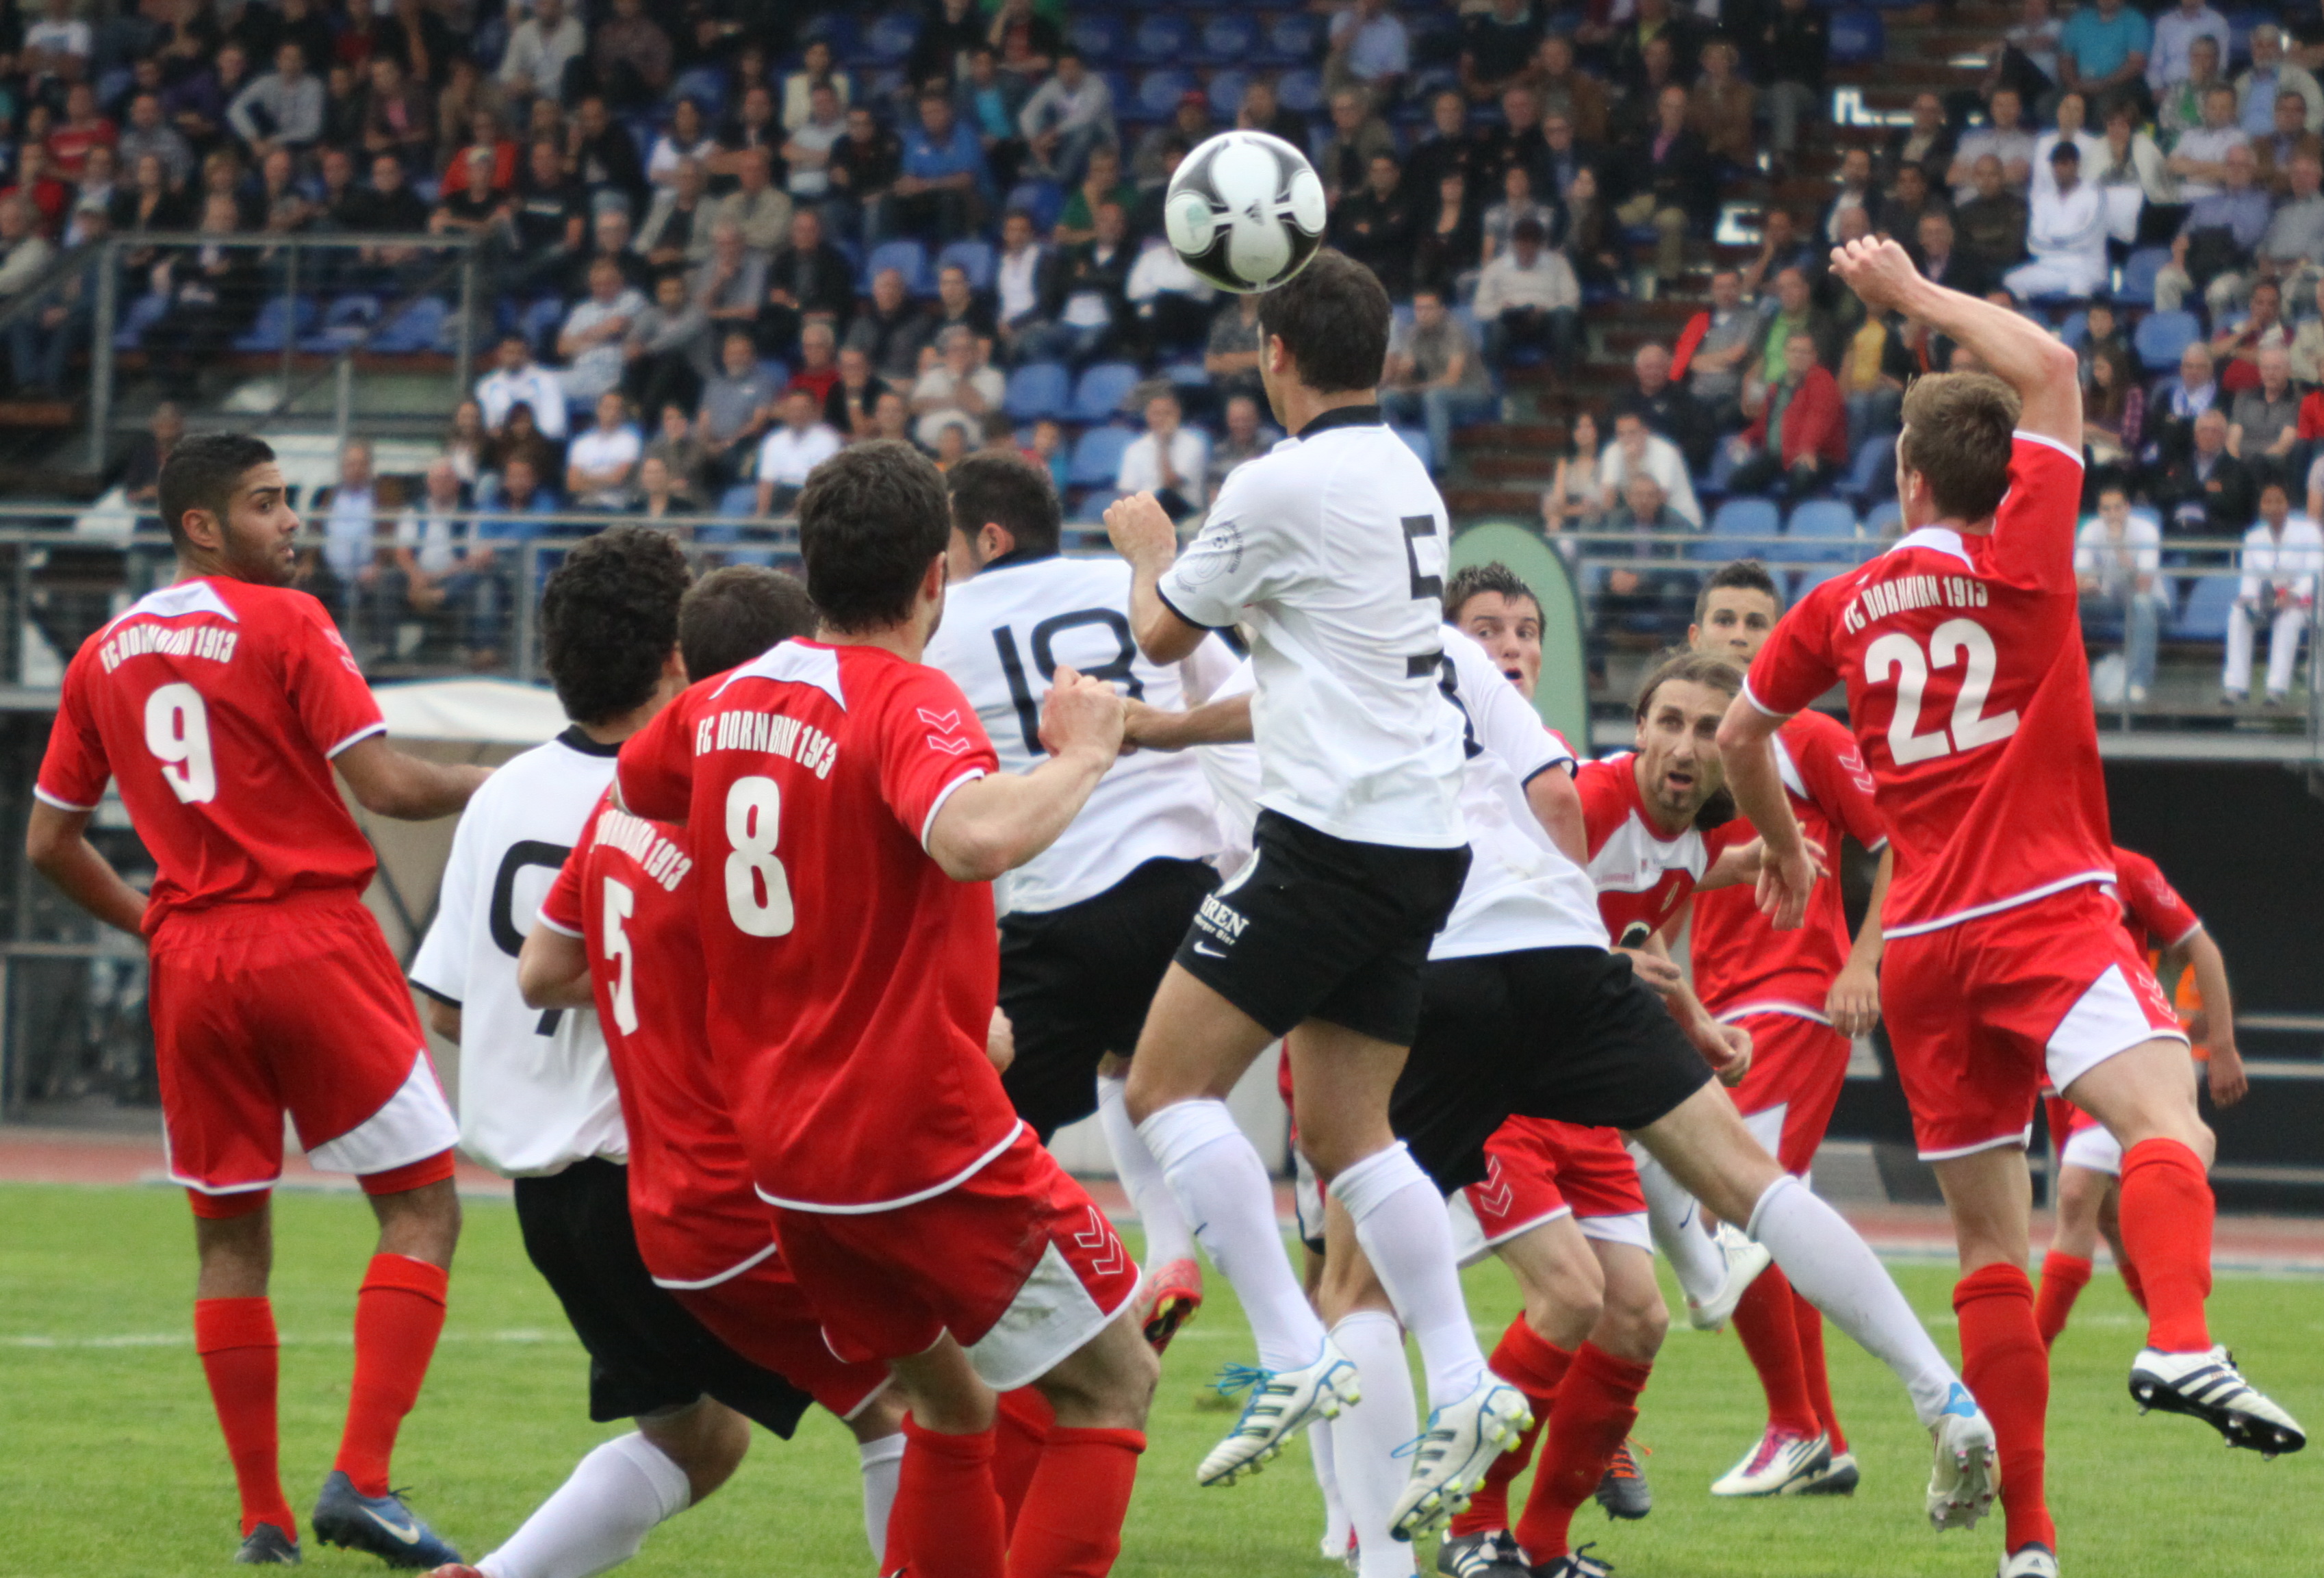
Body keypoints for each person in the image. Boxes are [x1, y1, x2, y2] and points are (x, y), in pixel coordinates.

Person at [1720, 236, 2306, 1578]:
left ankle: (2028, 1547)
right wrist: (1911, 296)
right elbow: (2048, 365)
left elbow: (1746, 738)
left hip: (1921, 948)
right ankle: (2177, 1340)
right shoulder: (2025, 560)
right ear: (2004, 477)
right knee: (2166, 1126)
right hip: (2038, 903)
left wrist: (1787, 850)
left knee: (1987, 1244)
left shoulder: (1837, 604)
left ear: (1906, 477)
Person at [613, 440, 1157, 1578]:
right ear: (933, 579)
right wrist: (1085, 755)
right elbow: (972, 836)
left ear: (809, 568)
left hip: (785, 1158)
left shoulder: (722, 698)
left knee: (949, 1407)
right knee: (1114, 1381)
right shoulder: (909, 696)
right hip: (914, 1133)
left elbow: (640, 782)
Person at [1103, 251, 1522, 1538]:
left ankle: (1292, 1349)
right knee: (1349, 1135)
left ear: (1273, 355)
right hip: (1417, 840)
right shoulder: (1405, 472)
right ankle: (1466, 1375)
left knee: (1161, 1089)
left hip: (1329, 840)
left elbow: (1162, 635)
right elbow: (1307, 659)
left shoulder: (1278, 481)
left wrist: (1150, 550)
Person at [27, 433, 489, 1567]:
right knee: (422, 1209)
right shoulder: (286, 621)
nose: (292, 522)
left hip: (192, 962)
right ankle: (362, 1481)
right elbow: (388, 787)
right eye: (269, 503)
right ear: (202, 525)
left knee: (229, 1239)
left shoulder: (102, 653)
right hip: (309, 939)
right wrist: (507, 782)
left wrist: (155, 925)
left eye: (290, 500)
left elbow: (49, 842)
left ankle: (262, 1519)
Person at [418, 535, 904, 1578]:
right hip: (662, 1176)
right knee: (905, 1398)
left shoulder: (503, 792)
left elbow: (456, 1008)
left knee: (698, 1440)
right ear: (676, 655)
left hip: (545, 1203)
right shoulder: (701, 795)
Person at [923, 453, 1238, 1356]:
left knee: (969, 1145)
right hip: (1188, 887)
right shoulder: (1132, 585)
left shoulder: (944, 626)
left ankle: (1067, 1301)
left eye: (947, 546)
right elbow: (1230, 694)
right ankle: (1177, 1258)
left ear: (989, 538)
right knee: (1147, 1078)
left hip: (1063, 906)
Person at [1665, 561, 1892, 1499]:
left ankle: (1793, 1427)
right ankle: (1821, 1440)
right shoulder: (1682, 748)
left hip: (1795, 998)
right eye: (1722, 618)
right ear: (1694, 635)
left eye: (1757, 622)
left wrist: (1861, 962)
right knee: (1775, 1216)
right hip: (1721, 1011)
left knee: (1726, 1205)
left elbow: (1898, 847)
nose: (1738, 634)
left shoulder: (1806, 735)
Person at [2034, 848, 2247, 1349]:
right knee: (2109, 1217)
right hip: (2053, 1056)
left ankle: (2027, 1351)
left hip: (2115, 1048)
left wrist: (2222, 1045)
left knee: (2075, 1190)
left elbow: (2201, 948)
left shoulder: (2125, 869)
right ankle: (2188, 1347)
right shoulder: (2023, 867)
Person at [2223, 479, 2324, 702]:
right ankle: (2236, 687)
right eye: (2267, 501)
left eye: (2279, 501)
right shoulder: (2253, 537)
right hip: (2267, 601)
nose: (2273, 506)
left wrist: (2293, 595)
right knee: (2237, 614)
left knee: (2288, 618)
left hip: (2305, 602)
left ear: (2288, 505)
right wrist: (2248, 599)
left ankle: (2276, 690)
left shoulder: (2309, 532)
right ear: (2261, 506)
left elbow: (2315, 572)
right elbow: (2249, 578)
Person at [1379, 288, 1496, 479]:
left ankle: (1438, 466)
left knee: (1435, 397)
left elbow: (1452, 380)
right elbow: (1405, 379)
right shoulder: (1413, 333)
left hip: (1471, 390)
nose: (1423, 314)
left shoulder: (1454, 330)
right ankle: (1385, 461)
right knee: (1387, 397)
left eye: (1428, 308)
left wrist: (1415, 388)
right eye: (1418, 309)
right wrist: (1403, 374)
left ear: (1441, 310)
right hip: (1429, 390)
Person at [1727, 332, 1847, 504]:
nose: (1798, 356)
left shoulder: (1823, 381)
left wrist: (1807, 449)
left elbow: (1819, 418)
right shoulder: (1777, 386)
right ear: (1785, 354)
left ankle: (1796, 519)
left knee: (1800, 477)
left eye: (1804, 352)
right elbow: (1765, 423)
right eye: (1793, 351)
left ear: (1814, 356)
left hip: (1818, 456)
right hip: (1779, 457)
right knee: (1738, 481)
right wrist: (1746, 438)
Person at [2076, 485, 2169, 702]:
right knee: (2069, 605)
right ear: (2100, 511)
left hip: (2152, 602)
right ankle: (2069, 681)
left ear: (2127, 508)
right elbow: (2077, 578)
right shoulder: (2091, 529)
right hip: (2111, 600)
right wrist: (2089, 587)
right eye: (2107, 509)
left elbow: (2144, 585)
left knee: (2141, 603)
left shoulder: (2146, 530)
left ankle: (2138, 683)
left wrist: (2119, 547)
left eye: (2117, 508)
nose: (2112, 514)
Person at [1473, 216, 1579, 374]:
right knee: (1495, 330)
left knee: (1564, 318)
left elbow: (1571, 299)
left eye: (1532, 246)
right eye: (1522, 245)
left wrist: (1546, 309)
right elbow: (1481, 307)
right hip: (1510, 321)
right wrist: (1502, 309)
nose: (1527, 251)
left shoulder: (1558, 264)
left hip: (1546, 320)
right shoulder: (1495, 268)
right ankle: (1495, 378)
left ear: (1540, 245)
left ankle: (1562, 376)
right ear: (1514, 244)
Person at [2006, 143, 2108, 298]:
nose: (2059, 169)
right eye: (2056, 164)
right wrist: (2063, 243)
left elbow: (2087, 239)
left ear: (2076, 165)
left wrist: (2053, 239)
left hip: (2085, 267)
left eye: (2064, 164)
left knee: (2078, 287)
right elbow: (2033, 243)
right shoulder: (2043, 199)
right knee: (2011, 281)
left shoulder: (2095, 194)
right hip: (2048, 266)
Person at [1114, 387, 1208, 518]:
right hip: (1146, 514)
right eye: (1156, 414)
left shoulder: (1193, 444)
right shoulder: (1135, 449)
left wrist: (1163, 445)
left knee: (1166, 496)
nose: (1162, 419)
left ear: (1178, 414)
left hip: (1184, 513)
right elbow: (1127, 492)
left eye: (1167, 414)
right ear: (1148, 416)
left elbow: (1171, 484)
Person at [754, 387, 844, 516]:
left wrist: (795, 515)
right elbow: (766, 482)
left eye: (803, 409)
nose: (798, 414)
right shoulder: (773, 440)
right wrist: (761, 515)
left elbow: (822, 484)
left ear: (814, 411)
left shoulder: (828, 439)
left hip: (813, 496)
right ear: (785, 411)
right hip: (781, 493)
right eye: (793, 409)